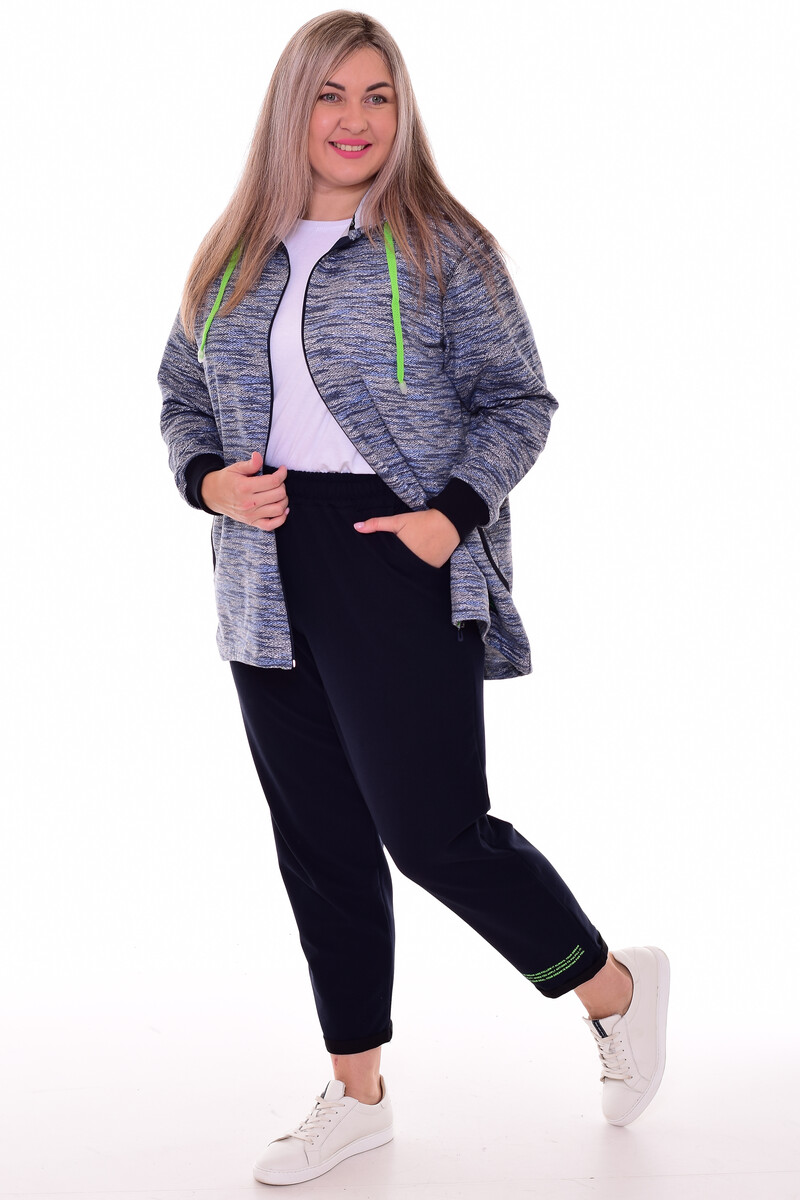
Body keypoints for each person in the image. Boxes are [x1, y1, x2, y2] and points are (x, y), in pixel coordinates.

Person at [158, 9, 669, 1187]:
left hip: (397, 553)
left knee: (433, 834)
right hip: (262, 569)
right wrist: (208, 482)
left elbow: (518, 399)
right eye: (331, 95)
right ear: (292, 109)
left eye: (377, 96)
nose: (354, 119)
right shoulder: (231, 253)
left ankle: (611, 988)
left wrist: (450, 512)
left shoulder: (443, 248)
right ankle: (357, 1095)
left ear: (401, 112)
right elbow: (181, 393)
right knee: (320, 844)